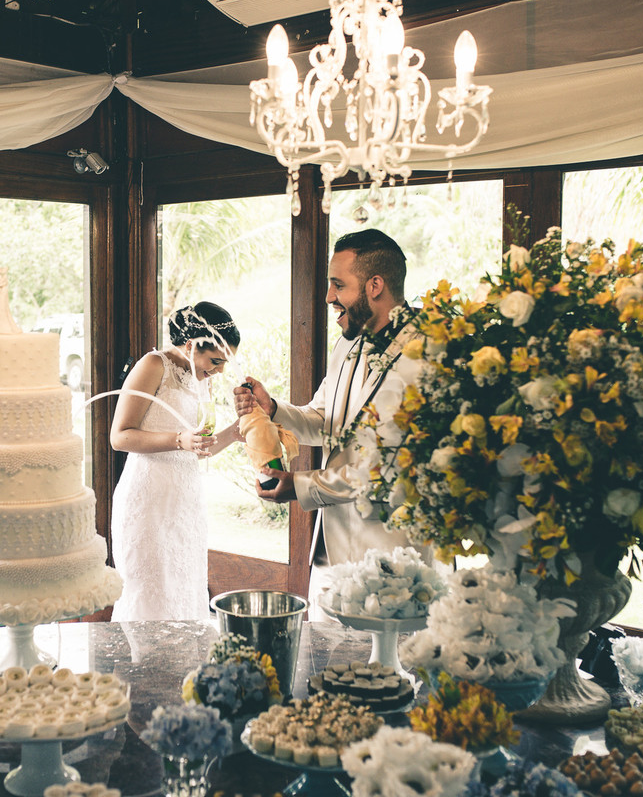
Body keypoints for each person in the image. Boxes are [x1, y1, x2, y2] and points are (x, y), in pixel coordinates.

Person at [234, 229, 424, 620]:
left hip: (392, 556)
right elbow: (326, 422)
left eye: (338, 285)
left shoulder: (426, 355)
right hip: (330, 554)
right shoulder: (347, 343)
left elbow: (391, 469)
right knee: (326, 672)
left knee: (388, 676)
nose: (328, 297)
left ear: (375, 285)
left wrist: (301, 486)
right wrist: (273, 409)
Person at [109, 301, 242, 621]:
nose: (220, 370)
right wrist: (177, 440)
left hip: (185, 504)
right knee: (151, 596)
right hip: (147, 501)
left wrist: (238, 430)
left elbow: (200, 447)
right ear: (190, 345)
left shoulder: (201, 377)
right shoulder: (153, 365)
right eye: (215, 360)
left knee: (183, 591)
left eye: (224, 363)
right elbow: (119, 437)